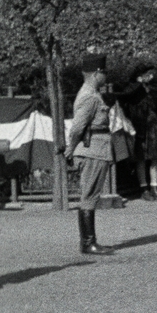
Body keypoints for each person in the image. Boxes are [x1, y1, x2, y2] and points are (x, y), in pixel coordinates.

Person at [64, 54, 116, 255]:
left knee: (91, 195)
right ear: (96, 74)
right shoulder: (90, 96)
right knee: (89, 195)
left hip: (96, 149)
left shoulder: (92, 93)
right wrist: (71, 147)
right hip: (92, 150)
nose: (106, 76)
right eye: (104, 73)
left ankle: (89, 242)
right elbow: (78, 127)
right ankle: (88, 243)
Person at [117, 62, 157, 200]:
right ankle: (144, 188)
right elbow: (125, 95)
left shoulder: (153, 88)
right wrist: (139, 83)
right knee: (140, 158)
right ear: (140, 76)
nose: (151, 77)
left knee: (156, 156)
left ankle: (155, 187)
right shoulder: (133, 87)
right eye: (148, 74)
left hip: (154, 126)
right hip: (139, 126)